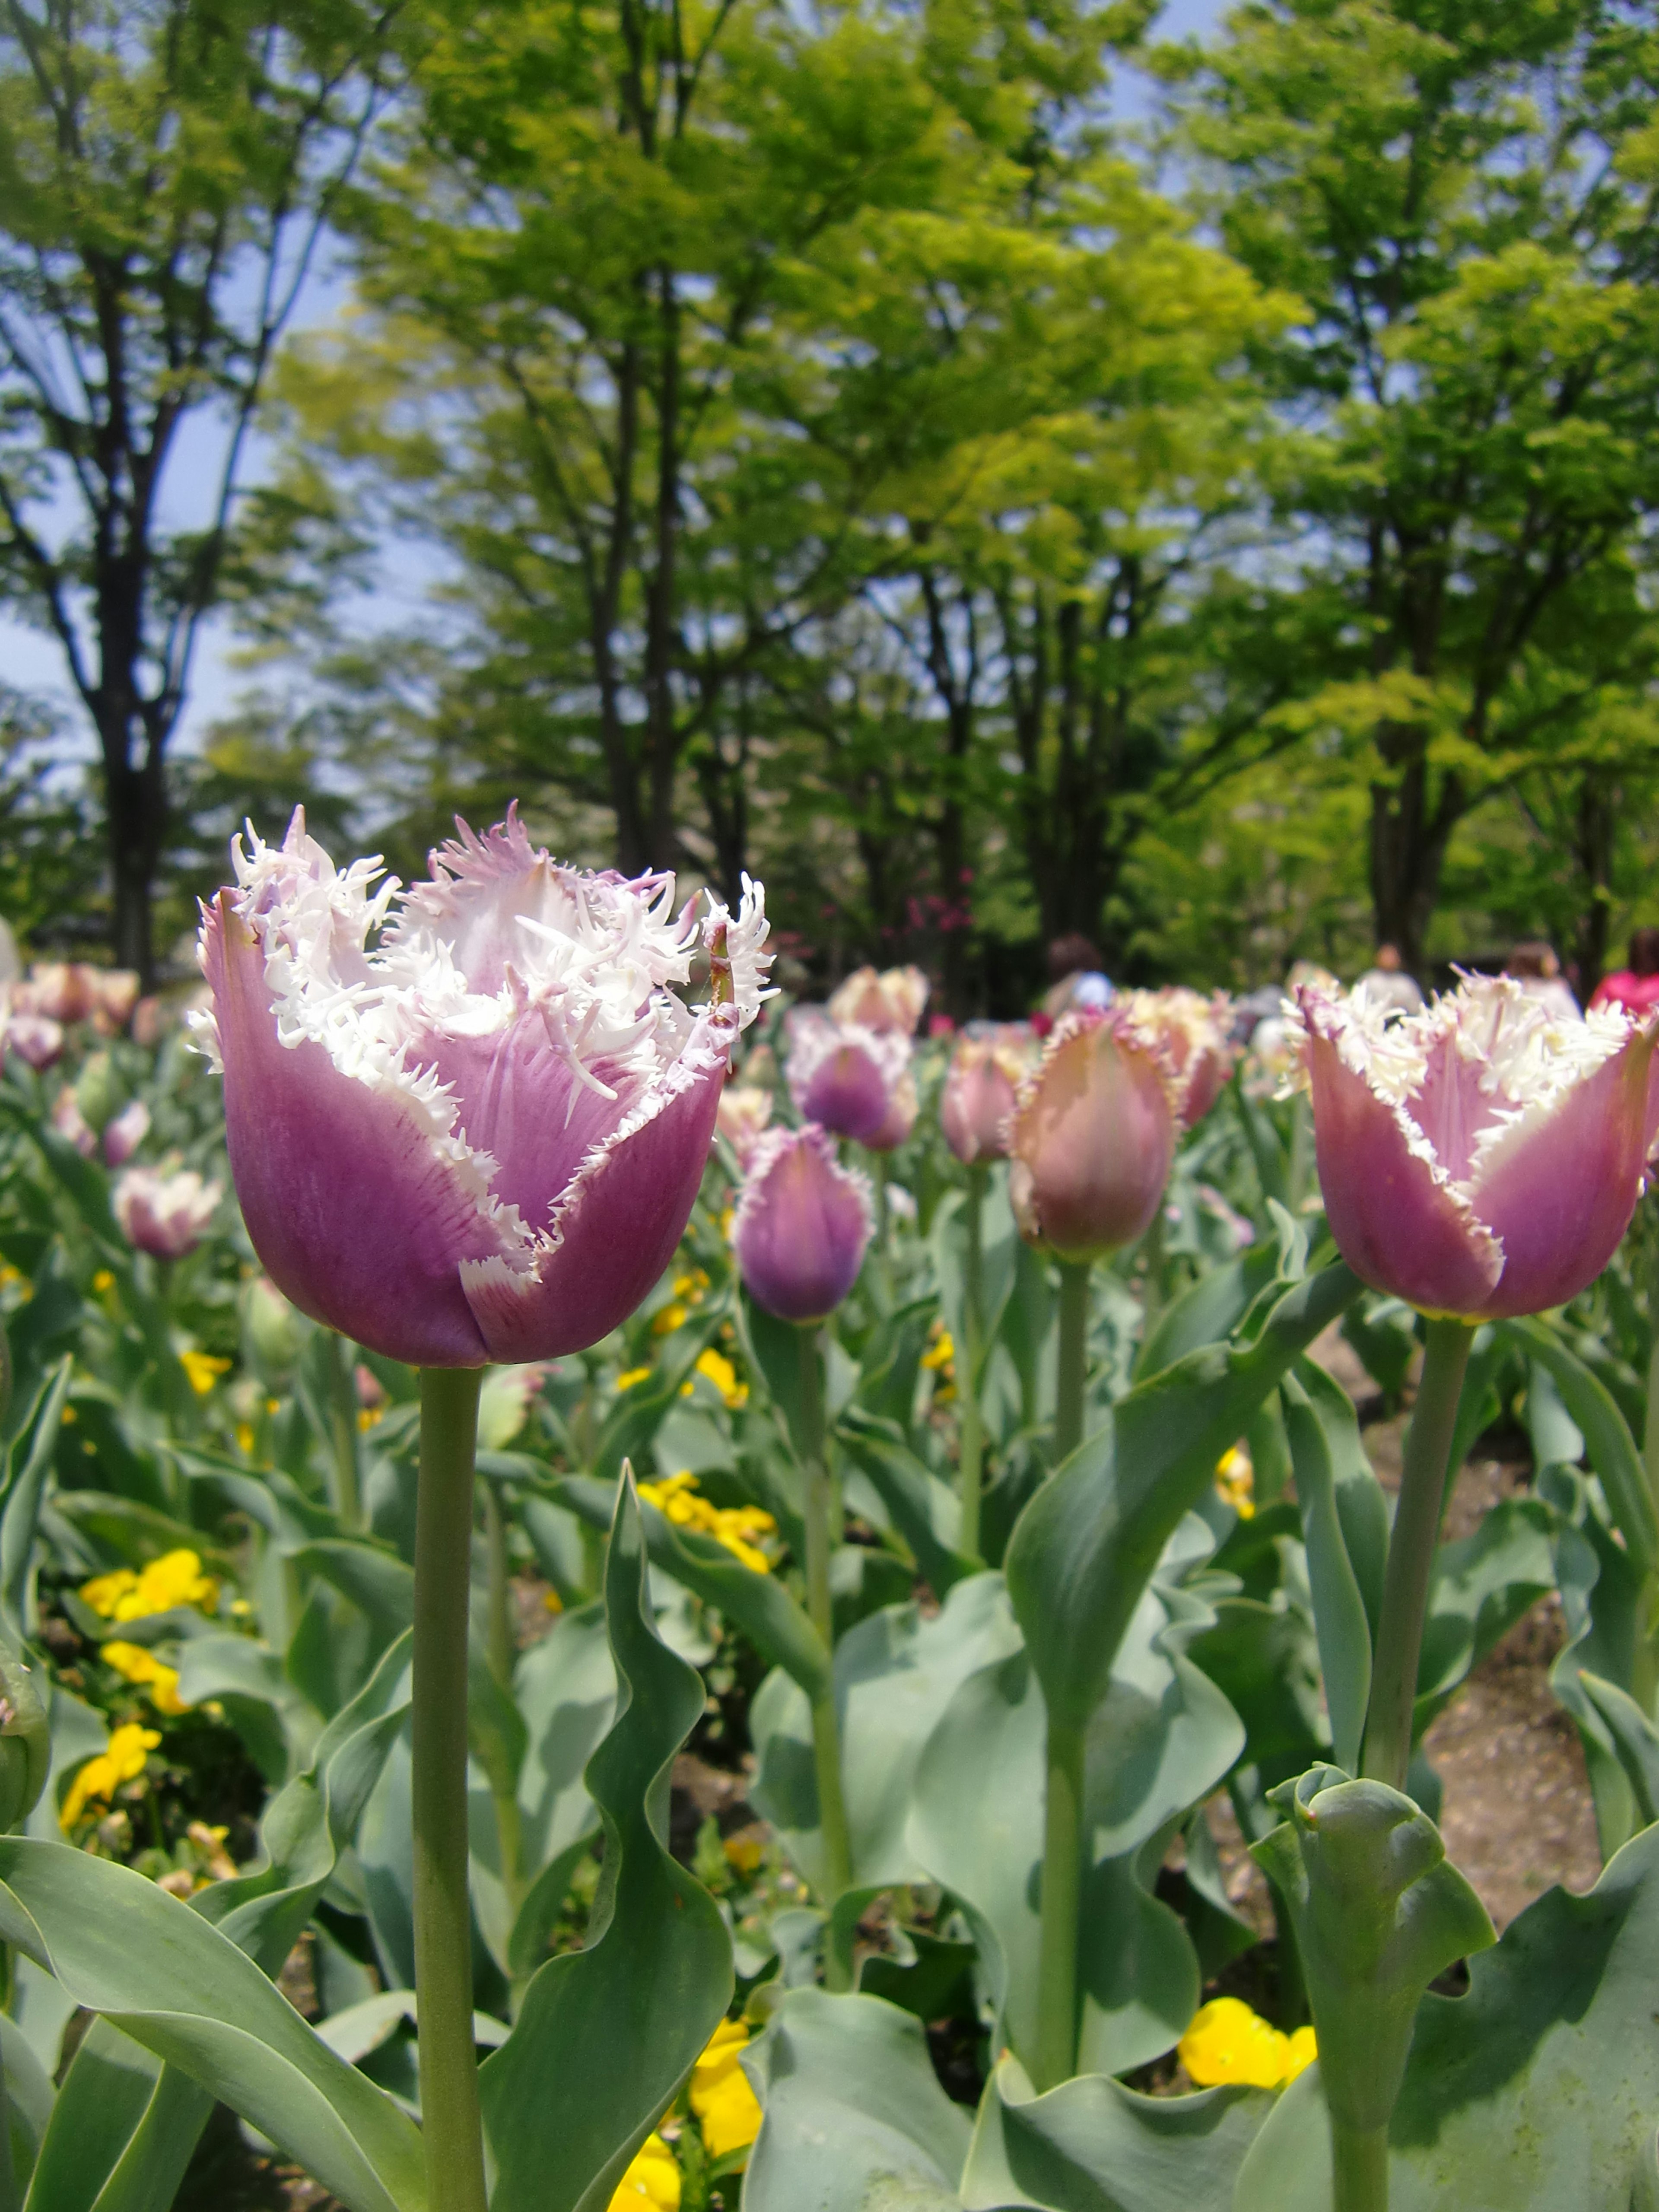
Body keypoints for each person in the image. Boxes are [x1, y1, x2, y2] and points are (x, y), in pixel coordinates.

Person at [1589, 926, 1659, 1017]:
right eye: (1639, 951)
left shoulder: (1612, 983)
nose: (1643, 957)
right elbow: (1595, 1013)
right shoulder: (1613, 983)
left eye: (1649, 952)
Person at [1504, 942, 1581, 1021]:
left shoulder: (1511, 992)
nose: (1556, 963)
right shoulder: (1555, 992)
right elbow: (1575, 1019)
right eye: (1551, 959)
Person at [1353, 942, 1424, 1019]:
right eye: (1386, 955)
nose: (1389, 960)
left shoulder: (1406, 984)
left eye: (1392, 956)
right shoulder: (1368, 980)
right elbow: (1356, 1004)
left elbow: (1417, 1009)